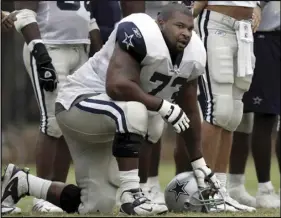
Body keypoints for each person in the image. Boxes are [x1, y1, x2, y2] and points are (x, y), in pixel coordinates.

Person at [2, 3, 221, 216]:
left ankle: (22, 183)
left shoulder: (194, 54)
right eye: (179, 26)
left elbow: (190, 111)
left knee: (97, 205)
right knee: (135, 109)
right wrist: (161, 105)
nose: (186, 33)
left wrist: (199, 162)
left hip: (108, 117)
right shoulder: (141, 34)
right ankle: (131, 196)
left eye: (190, 28)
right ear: (160, 23)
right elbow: (116, 86)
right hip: (78, 102)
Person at [5, 1, 103, 213]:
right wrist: (40, 54)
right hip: (50, 46)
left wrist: (98, 50)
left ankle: (57, 192)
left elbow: (87, 15)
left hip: (81, 48)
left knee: (71, 123)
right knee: (52, 121)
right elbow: (24, 13)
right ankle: (42, 194)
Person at [183, 0, 262, 212]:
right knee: (220, 108)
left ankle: (220, 190)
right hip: (215, 23)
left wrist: (257, 5)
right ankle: (205, 190)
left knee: (234, 113)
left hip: (244, 29)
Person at [228, 1, 280, 209]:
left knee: (267, 115)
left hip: (272, 37)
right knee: (262, 114)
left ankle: (237, 185)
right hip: (264, 35)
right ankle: (263, 188)